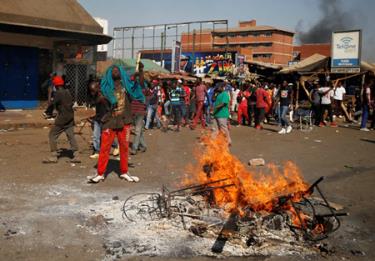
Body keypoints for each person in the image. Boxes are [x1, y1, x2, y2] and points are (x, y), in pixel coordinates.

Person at [88, 64, 144, 183]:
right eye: (112, 70)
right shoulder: (104, 87)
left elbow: (138, 86)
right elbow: (96, 101)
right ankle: (100, 173)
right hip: (109, 121)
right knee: (104, 148)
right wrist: (102, 97)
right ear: (109, 73)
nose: (115, 72)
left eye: (117, 70)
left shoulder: (127, 86)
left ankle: (124, 172)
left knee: (124, 148)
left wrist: (141, 72)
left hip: (124, 121)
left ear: (121, 72)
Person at [43, 76, 80, 163]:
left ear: (55, 85)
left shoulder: (58, 93)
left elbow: (51, 104)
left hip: (62, 118)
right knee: (70, 136)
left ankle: (53, 156)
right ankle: (76, 155)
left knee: (52, 135)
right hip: (70, 117)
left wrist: (49, 93)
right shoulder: (67, 92)